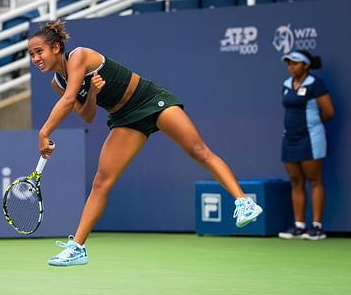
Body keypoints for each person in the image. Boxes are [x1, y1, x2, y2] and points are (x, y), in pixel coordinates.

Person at [28, 20, 263, 267]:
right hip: (125, 119)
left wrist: (43, 132)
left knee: (198, 151)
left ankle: (243, 202)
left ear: (56, 48)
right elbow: (87, 115)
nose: (35, 58)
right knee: (101, 181)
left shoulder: (80, 56)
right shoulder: (58, 82)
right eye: (32, 54)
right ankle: (77, 248)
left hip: (149, 99)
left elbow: (67, 102)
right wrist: (94, 94)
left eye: (39, 51)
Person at [277, 50, 334, 241]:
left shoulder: (315, 84)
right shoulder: (286, 85)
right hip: (290, 139)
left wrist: (313, 127)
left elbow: (328, 112)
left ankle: (317, 227)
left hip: (311, 139)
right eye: (289, 63)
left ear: (306, 65)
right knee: (296, 182)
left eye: (295, 63)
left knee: (314, 180)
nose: (291, 67)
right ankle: (299, 225)